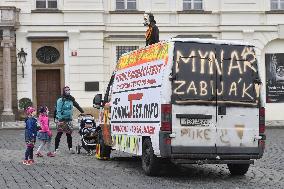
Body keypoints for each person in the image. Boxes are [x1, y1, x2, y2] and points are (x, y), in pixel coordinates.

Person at [54, 86, 84, 154]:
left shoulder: (71, 99)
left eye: (68, 90)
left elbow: (76, 105)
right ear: (64, 91)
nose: (68, 91)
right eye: (66, 90)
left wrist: (82, 111)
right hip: (62, 119)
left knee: (69, 134)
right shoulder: (60, 100)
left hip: (69, 119)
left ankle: (70, 148)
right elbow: (58, 110)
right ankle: (56, 149)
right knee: (59, 134)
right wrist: (60, 119)